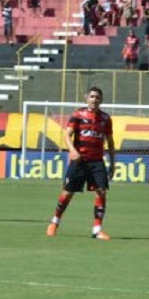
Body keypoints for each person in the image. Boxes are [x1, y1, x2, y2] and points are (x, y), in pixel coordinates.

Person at [46, 87, 115, 240]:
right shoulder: (78, 114)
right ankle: (54, 221)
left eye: (97, 97)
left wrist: (113, 163)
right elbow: (67, 135)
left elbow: (110, 142)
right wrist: (72, 151)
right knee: (67, 193)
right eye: (92, 97)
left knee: (101, 192)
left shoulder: (105, 118)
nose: (94, 99)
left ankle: (97, 230)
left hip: (97, 162)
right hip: (79, 161)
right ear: (86, 98)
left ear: (101, 100)